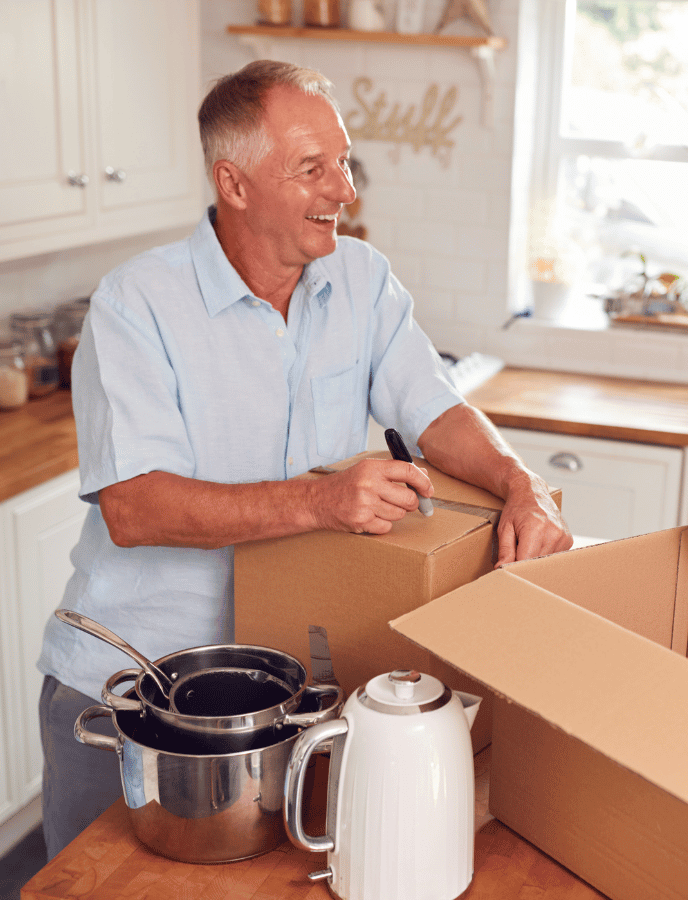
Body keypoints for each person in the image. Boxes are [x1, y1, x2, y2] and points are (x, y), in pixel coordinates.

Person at [35, 59, 572, 858]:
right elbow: (135, 507)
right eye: (313, 168)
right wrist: (322, 501)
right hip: (137, 695)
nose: (345, 189)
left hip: (286, 700)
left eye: (343, 161)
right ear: (236, 183)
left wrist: (522, 484)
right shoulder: (135, 304)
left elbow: (436, 410)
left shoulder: (361, 279)